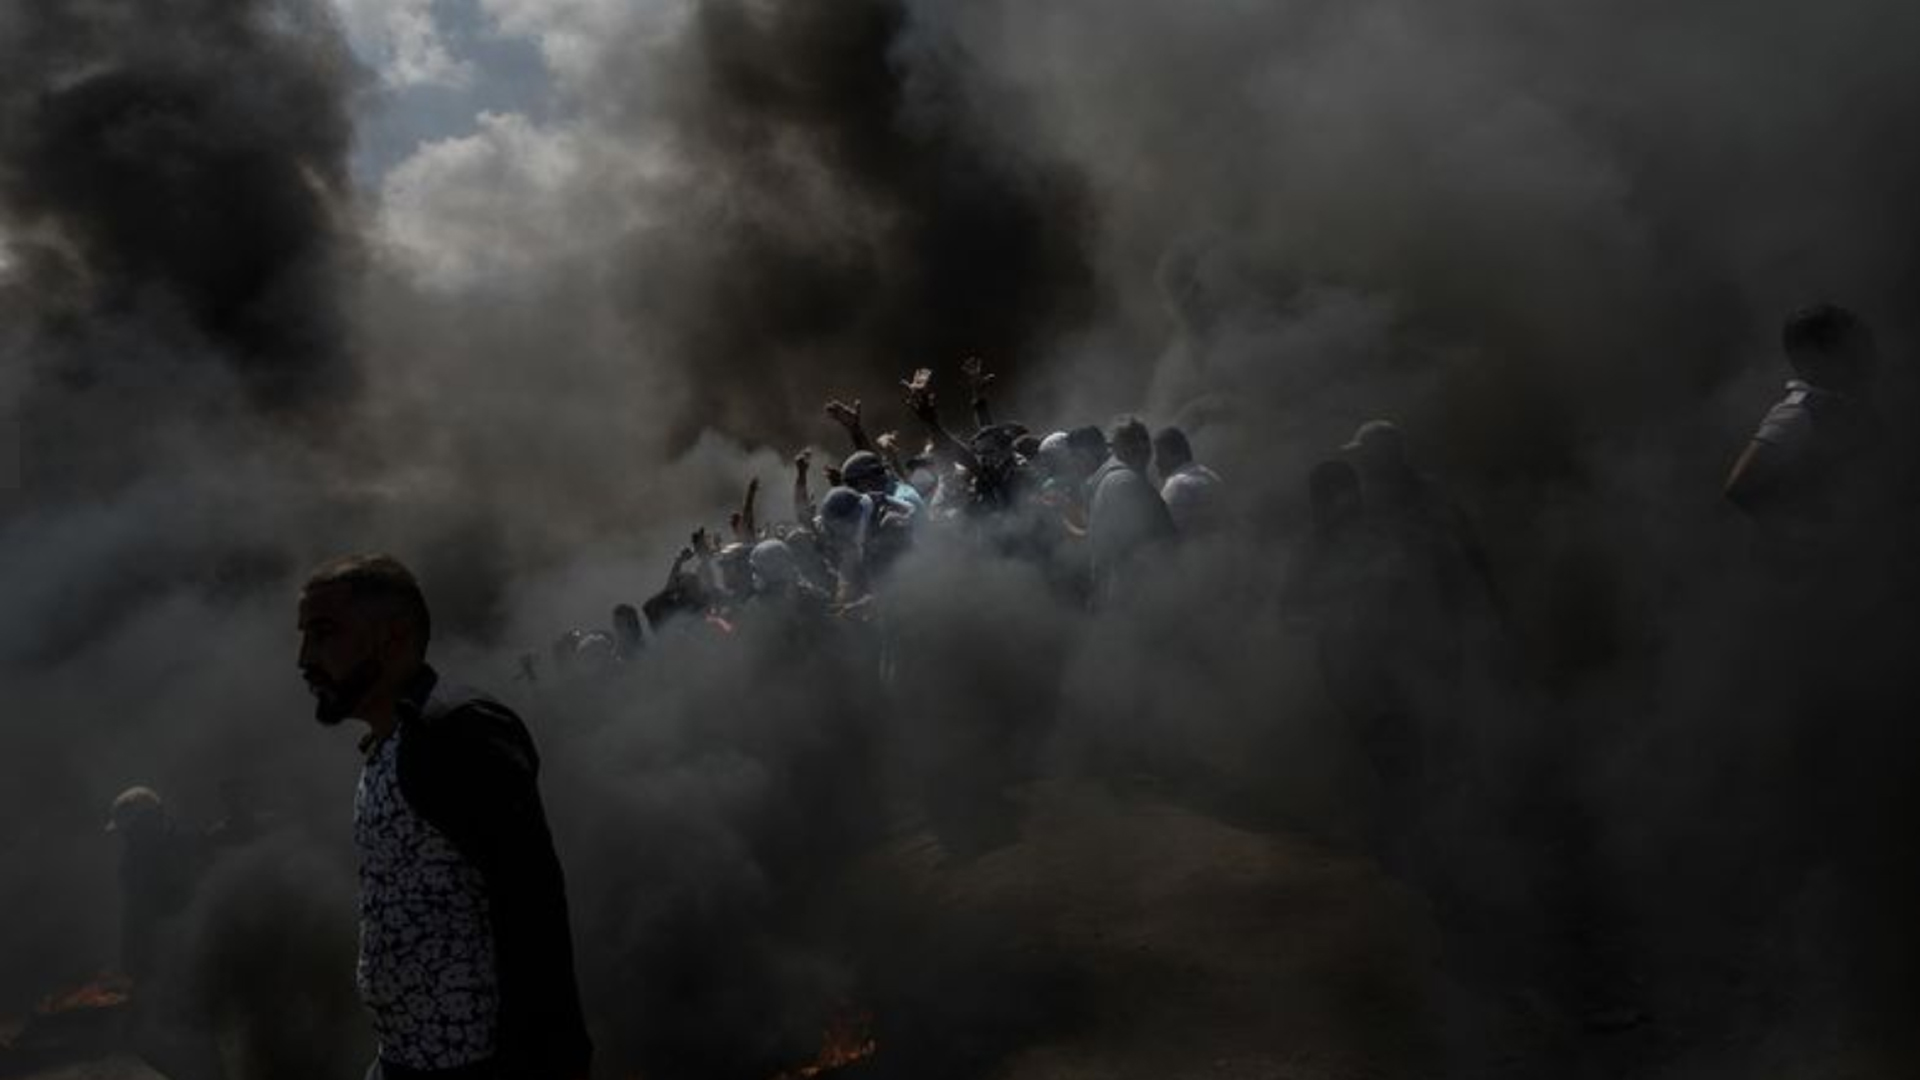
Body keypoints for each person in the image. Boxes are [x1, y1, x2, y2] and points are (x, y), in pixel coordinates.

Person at [296, 554, 591, 1080]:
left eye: (323, 633)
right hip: (404, 1059)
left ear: (392, 638)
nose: (304, 658)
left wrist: (550, 1062)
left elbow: (533, 908)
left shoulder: (456, 732)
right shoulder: (392, 742)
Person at [1725, 304, 1887, 535]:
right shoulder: (1797, 413)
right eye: (1849, 349)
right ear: (1813, 358)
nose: (1864, 356)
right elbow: (1740, 489)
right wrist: (1807, 535)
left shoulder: (1849, 405)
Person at [1086, 416, 1176, 608]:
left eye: (1145, 440)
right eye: (1133, 442)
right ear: (1118, 447)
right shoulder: (1128, 483)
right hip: (1132, 595)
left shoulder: (1109, 478)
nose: (1143, 449)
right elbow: (1155, 544)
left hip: (1111, 591)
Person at [1152, 426, 1224, 535]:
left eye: (1160, 454)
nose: (1156, 462)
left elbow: (1163, 534)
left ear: (1177, 454)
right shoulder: (1213, 477)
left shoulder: (1177, 485)